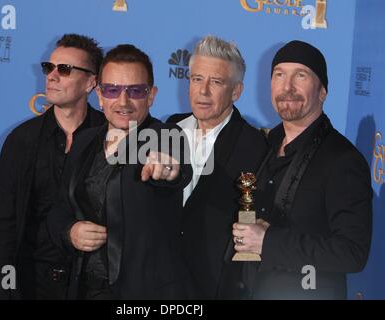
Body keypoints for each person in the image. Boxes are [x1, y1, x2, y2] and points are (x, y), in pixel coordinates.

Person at [47, 44, 192, 299]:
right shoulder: (85, 141)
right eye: (113, 90)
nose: (123, 101)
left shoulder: (164, 135)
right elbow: (59, 209)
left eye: (135, 91)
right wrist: (70, 232)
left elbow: (176, 169)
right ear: (100, 95)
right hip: (84, 289)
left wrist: (169, 170)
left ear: (151, 95)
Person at [233, 40, 372, 299]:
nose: (287, 87)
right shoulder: (263, 145)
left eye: (301, 75)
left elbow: (353, 253)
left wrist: (268, 241)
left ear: (322, 92)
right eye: (279, 75)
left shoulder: (342, 160)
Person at [0, 34, 105, 299]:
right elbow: (0, 233)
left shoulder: (111, 137)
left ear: (91, 82)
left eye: (65, 69)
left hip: (91, 287)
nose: (52, 76)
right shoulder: (21, 141)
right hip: (32, 286)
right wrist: (6, 295)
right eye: (49, 68)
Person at [167, 35, 268, 299]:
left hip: (214, 285)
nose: (203, 91)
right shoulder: (169, 129)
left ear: (236, 91)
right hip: (160, 280)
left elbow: (251, 222)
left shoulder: (255, 146)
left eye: (216, 82)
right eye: (197, 79)